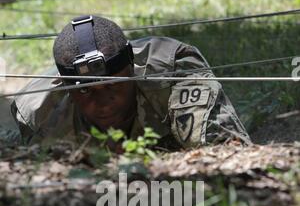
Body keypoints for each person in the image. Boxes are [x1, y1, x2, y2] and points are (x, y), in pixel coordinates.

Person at [11, 15, 251, 150]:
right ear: (65, 87)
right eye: (85, 90)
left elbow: (227, 151)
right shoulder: (38, 111)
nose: (102, 103)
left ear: (131, 68)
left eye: (112, 85)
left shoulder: (172, 70)